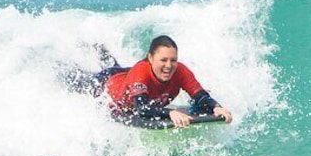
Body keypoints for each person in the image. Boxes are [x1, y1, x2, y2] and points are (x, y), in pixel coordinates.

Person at [66, 35, 232, 127]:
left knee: (117, 66)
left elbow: (200, 96)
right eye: (163, 60)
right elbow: (142, 108)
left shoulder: (180, 70)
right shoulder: (141, 71)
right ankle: (61, 66)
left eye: (173, 60)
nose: (169, 66)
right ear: (150, 58)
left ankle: (100, 48)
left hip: (126, 76)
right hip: (107, 83)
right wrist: (170, 112)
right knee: (76, 79)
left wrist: (217, 107)